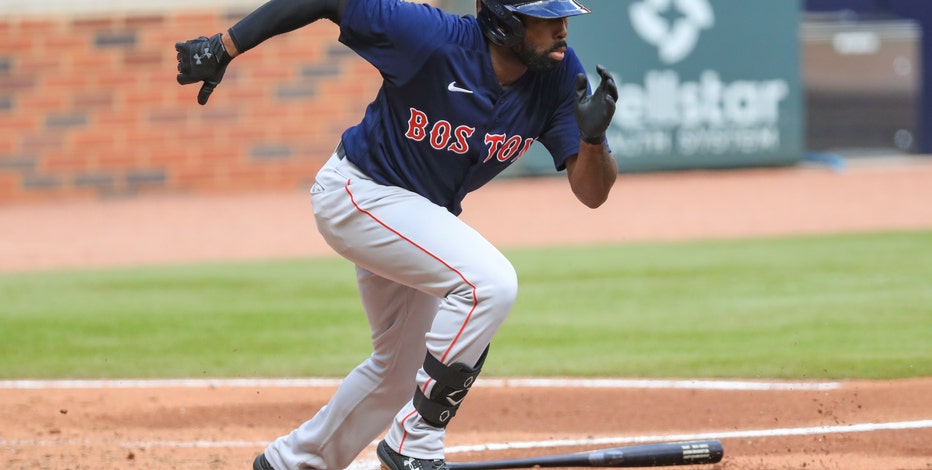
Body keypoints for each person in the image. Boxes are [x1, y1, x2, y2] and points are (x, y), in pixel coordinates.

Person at [175, 0, 618, 468]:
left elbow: (593, 193)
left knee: (399, 372)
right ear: (505, 20)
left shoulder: (558, 73)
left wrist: (592, 140)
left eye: (563, 14)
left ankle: (292, 462)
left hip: (416, 217)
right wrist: (224, 47)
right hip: (358, 192)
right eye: (547, 17)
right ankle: (417, 440)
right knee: (488, 283)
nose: (563, 28)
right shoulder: (430, 37)